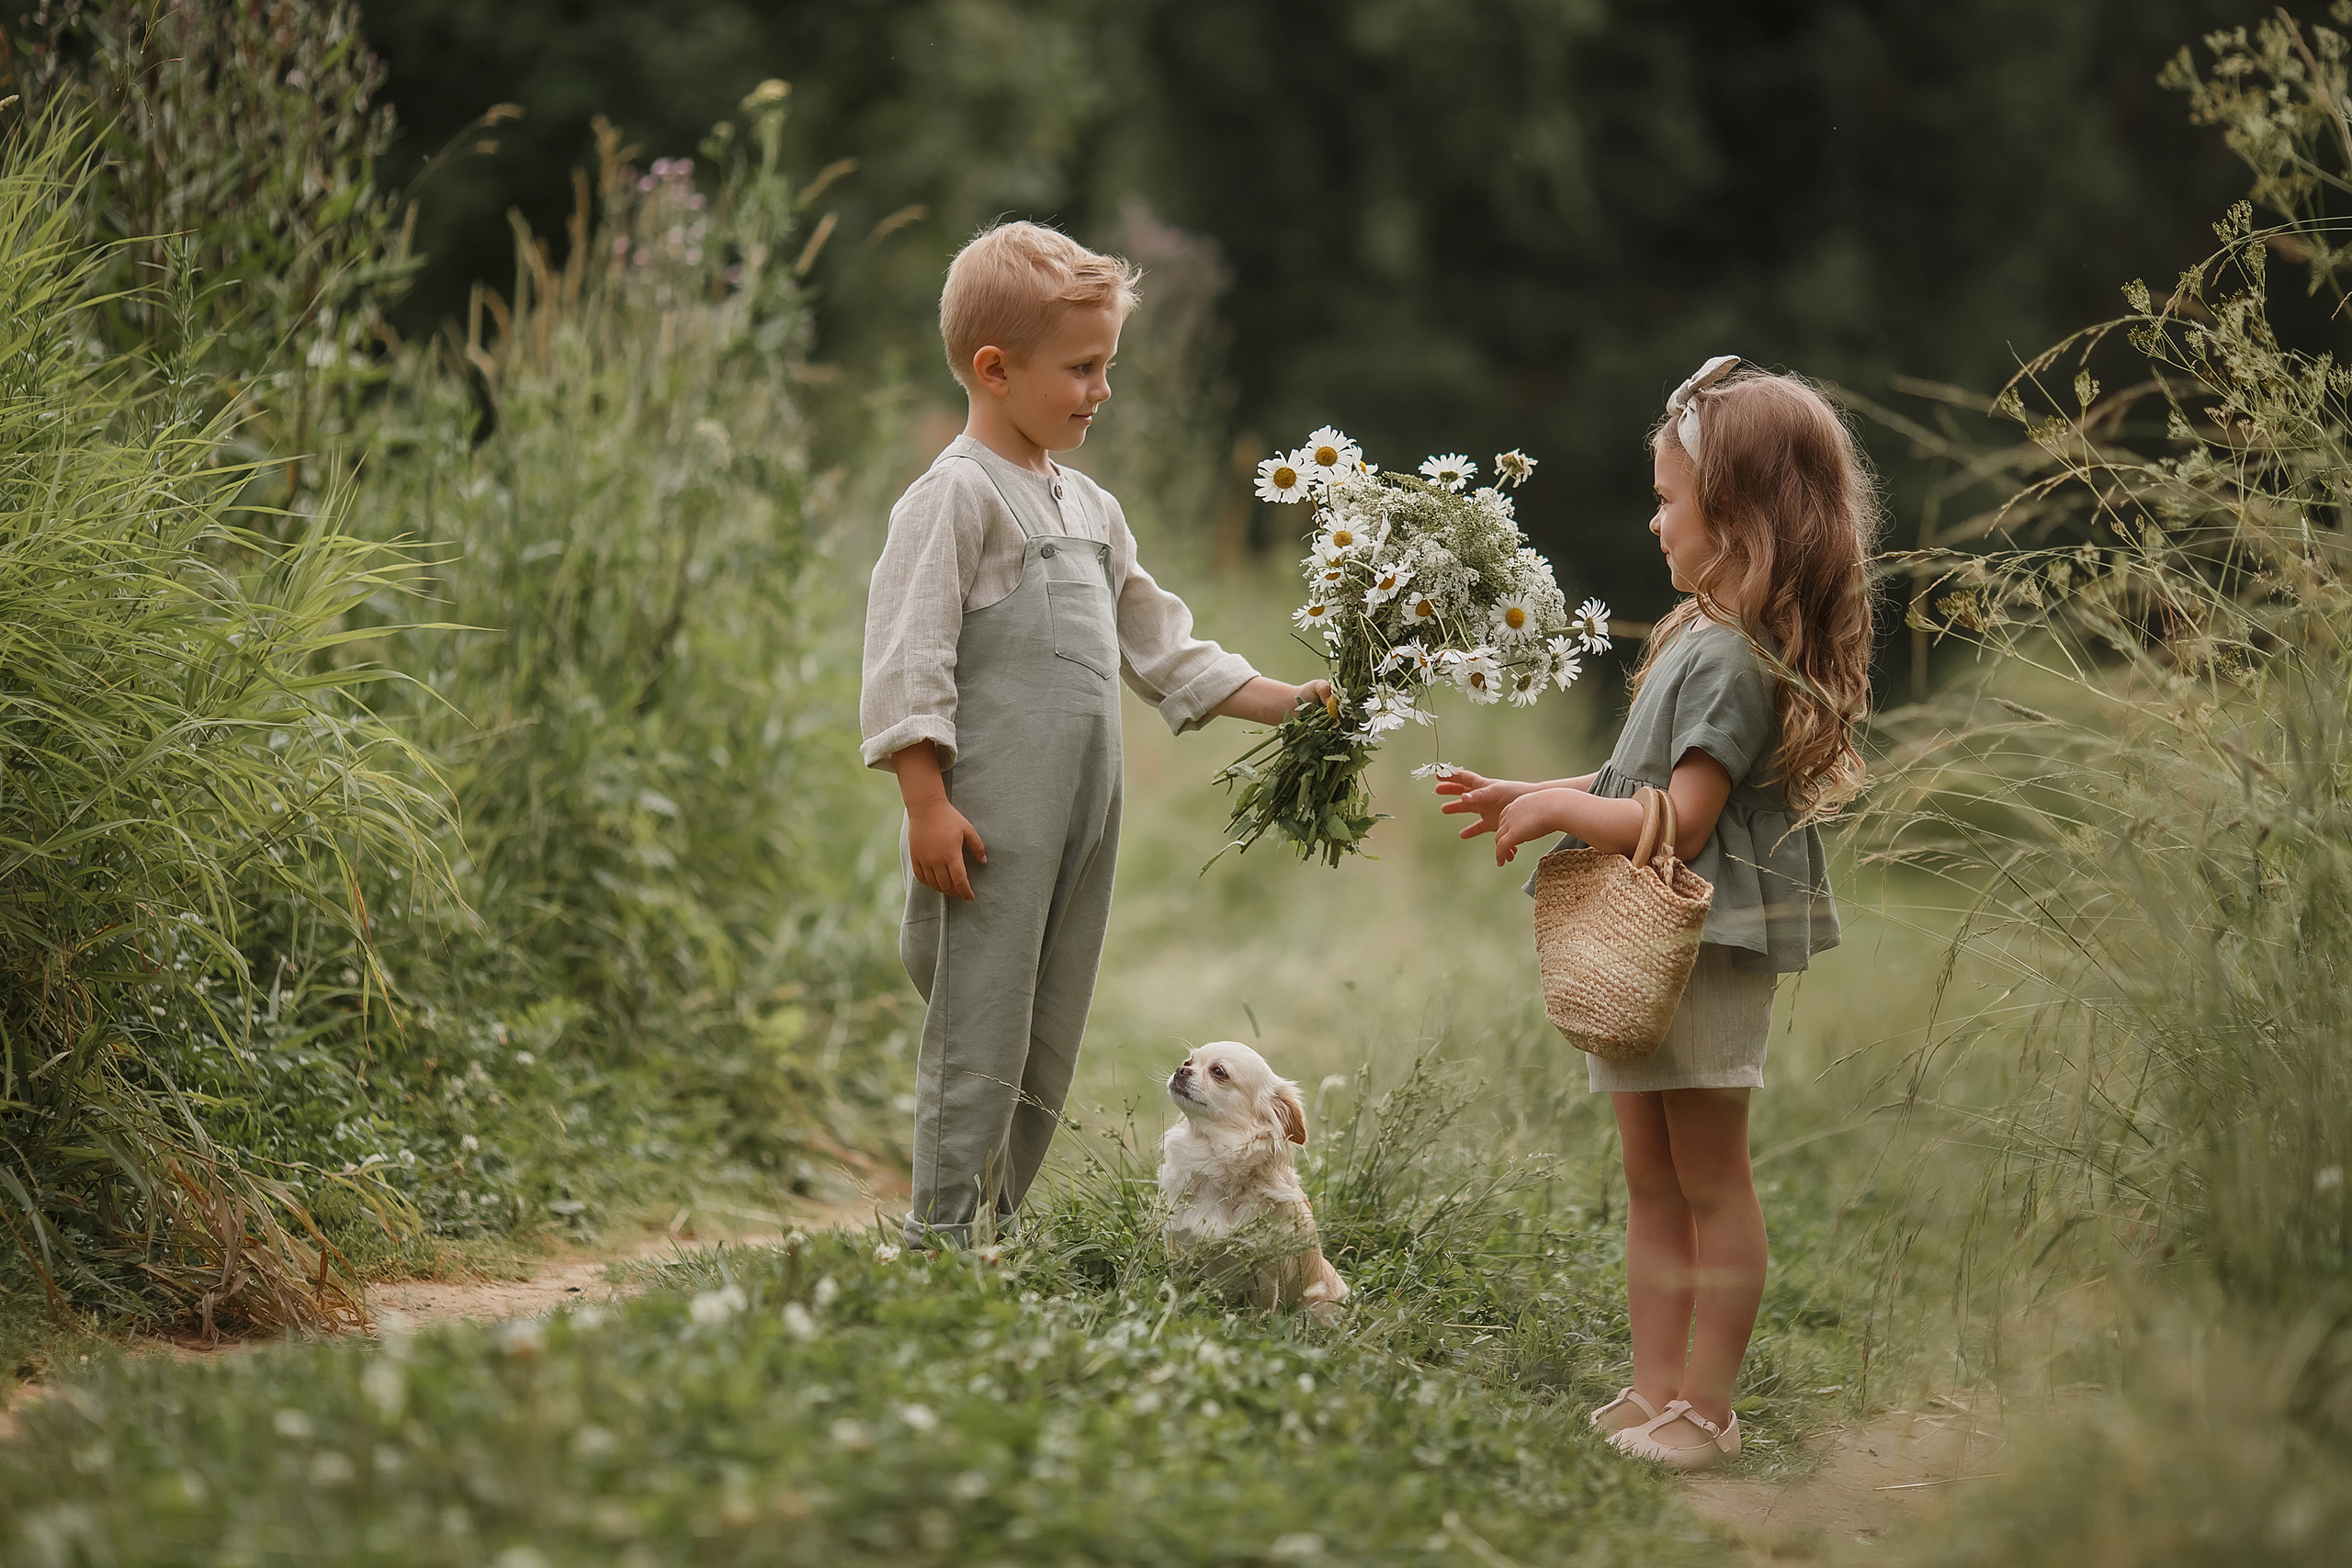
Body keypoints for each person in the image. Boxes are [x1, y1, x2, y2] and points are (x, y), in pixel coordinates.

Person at [1434, 358, 1879, 1470]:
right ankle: (1654, 1390)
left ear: (1734, 518)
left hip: (1707, 947)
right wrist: (1534, 791)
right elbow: (1635, 783)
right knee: (1649, 1177)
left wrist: (1553, 811)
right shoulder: (1691, 639)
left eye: (1670, 497)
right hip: (1665, 950)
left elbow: (1679, 819)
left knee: (1708, 1177)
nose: (1653, 516)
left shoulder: (1729, 659)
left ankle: (1707, 1410)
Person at [860, 221, 1329, 1250]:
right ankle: (939, 1236)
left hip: (1081, 822)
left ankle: (997, 1223)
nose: (1100, 390)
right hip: (985, 829)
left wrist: (1285, 700)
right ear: (995, 368)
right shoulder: (954, 498)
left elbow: (1162, 647)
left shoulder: (1093, 509)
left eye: (1105, 366)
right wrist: (926, 805)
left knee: (1046, 1026)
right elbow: (907, 659)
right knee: (978, 1023)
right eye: (1081, 369)